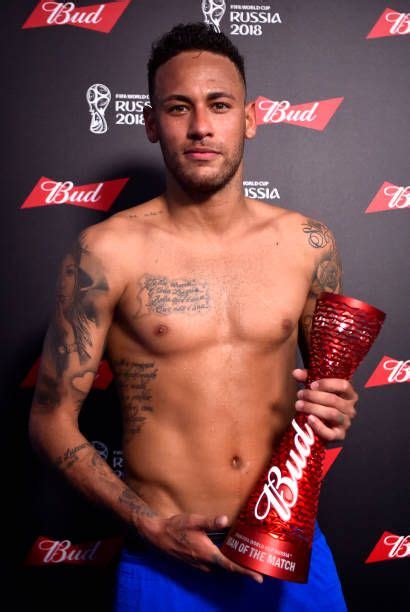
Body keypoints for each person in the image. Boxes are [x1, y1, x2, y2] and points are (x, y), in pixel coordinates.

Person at [29, 23, 358, 611]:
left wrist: (337, 409)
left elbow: (329, 396)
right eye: (178, 108)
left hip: (289, 548)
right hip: (165, 560)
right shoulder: (105, 253)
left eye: (219, 105)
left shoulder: (310, 243)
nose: (201, 126)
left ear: (251, 117)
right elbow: (51, 420)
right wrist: (149, 524)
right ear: (153, 123)